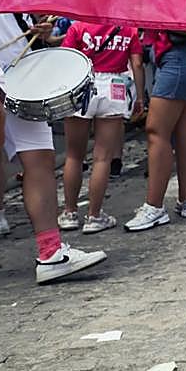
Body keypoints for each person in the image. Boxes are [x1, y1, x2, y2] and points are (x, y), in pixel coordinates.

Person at [0, 13, 108, 282]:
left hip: (21, 76)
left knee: (41, 160)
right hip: (8, 76)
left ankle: (51, 253)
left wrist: (34, 29)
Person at [59, 21, 145, 233]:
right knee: (103, 157)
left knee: (73, 155)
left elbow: (65, 60)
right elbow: (137, 64)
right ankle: (94, 216)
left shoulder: (77, 26)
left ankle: (69, 213)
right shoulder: (128, 28)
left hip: (81, 84)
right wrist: (140, 97)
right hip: (114, 86)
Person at [125, 28, 186, 231]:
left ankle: (154, 207)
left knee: (157, 131)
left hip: (177, 57)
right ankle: (185, 201)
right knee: (184, 131)